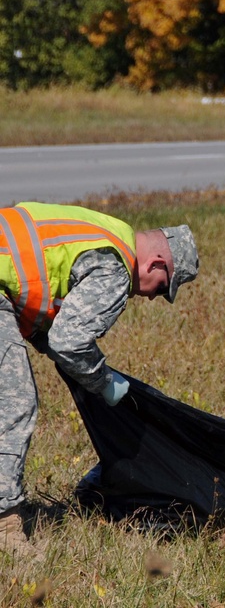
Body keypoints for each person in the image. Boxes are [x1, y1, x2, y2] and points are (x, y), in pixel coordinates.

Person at [0, 202, 199, 555]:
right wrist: (103, 382)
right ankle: (5, 528)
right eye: (161, 288)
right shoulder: (116, 266)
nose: (152, 297)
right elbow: (69, 342)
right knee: (15, 405)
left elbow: (40, 295)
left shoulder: (106, 231)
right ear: (156, 263)